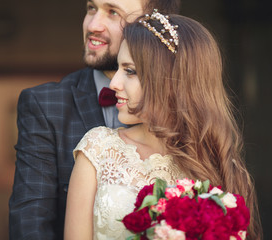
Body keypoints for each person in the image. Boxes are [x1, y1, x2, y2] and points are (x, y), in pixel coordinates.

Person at [65, 11, 263, 240]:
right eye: (118, 68)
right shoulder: (98, 149)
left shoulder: (220, 165)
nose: (114, 83)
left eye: (129, 71)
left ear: (170, 80)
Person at [9, 0, 181, 239]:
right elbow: (30, 226)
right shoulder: (46, 105)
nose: (93, 24)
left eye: (113, 12)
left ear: (153, 25)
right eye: (91, 8)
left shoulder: (195, 127)